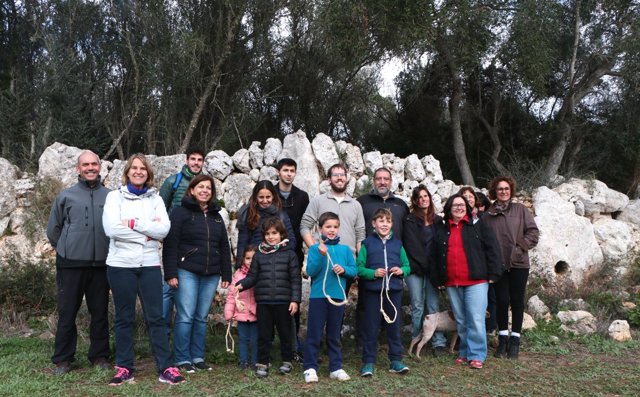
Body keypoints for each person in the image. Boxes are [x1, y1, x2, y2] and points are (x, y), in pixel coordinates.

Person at [102, 154, 185, 386]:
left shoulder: (156, 199)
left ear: (148, 173)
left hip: (149, 265)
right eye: (134, 168)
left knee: (156, 318)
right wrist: (145, 237)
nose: (138, 172)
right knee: (124, 317)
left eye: (143, 169)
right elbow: (111, 229)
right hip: (120, 265)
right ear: (127, 171)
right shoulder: (113, 197)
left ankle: (166, 367)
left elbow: (163, 230)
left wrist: (134, 223)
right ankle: (124, 367)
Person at [46, 150, 111, 375]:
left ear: (100, 167)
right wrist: (65, 248)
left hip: (102, 265)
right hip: (70, 263)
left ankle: (100, 356)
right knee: (67, 312)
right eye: (86, 164)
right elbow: (53, 229)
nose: (90, 167)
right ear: (78, 168)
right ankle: (63, 359)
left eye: (94, 163)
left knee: (100, 312)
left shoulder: (111, 196)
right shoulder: (66, 196)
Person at [162, 174, 232, 373]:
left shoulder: (216, 216)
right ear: (192, 190)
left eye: (208, 188)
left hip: (211, 274)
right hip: (186, 272)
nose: (205, 190)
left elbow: (224, 247)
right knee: (185, 316)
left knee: (201, 317)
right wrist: (170, 273)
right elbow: (170, 244)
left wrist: (226, 274)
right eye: (200, 187)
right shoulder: (180, 212)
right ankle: (182, 359)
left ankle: (198, 356)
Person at [431, 193, 503, 369]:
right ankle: (464, 351)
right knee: (462, 320)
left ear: (468, 208)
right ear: (449, 208)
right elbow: (435, 256)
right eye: (455, 205)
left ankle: (477, 354)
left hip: (476, 280)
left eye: (462, 205)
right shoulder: (442, 228)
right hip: (452, 282)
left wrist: (494, 273)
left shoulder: (478, 226)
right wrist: (438, 278)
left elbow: (492, 248)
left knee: (476, 318)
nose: (459, 208)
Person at [235, 217, 302, 378]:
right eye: (267, 234)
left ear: (281, 234)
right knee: (264, 335)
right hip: (264, 301)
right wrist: (241, 284)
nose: (271, 237)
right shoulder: (259, 255)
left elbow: (295, 279)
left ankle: (287, 360)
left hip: (284, 301)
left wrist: (295, 300)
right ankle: (262, 362)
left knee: (285, 334)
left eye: (274, 233)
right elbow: (252, 277)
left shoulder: (290, 254)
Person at [483, 176, 539, 359]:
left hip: (518, 263)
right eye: (500, 189)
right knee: (501, 301)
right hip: (498, 265)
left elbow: (533, 232)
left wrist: (519, 248)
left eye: (506, 188)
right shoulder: (488, 215)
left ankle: (515, 340)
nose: (503, 192)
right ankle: (503, 339)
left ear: (511, 190)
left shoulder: (521, 210)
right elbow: (484, 241)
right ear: (495, 192)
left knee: (517, 301)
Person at [302, 212, 357, 383]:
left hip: (338, 297)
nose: (332, 230)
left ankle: (336, 367)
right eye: (328, 227)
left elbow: (354, 271)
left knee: (334, 334)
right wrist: (319, 254)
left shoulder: (345, 250)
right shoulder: (314, 249)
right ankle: (310, 367)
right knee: (314, 332)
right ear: (320, 229)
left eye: (335, 226)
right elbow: (311, 271)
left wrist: (345, 270)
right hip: (319, 297)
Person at [357, 208, 411, 377]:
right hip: (373, 293)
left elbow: (408, 266)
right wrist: (373, 273)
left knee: (394, 327)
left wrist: (401, 270)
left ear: (392, 224)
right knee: (371, 327)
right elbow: (359, 268)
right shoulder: (366, 244)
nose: (384, 224)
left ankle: (395, 360)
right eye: (381, 221)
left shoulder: (398, 244)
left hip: (393, 291)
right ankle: (368, 362)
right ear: (374, 224)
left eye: (388, 221)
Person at [158, 147, 206, 336]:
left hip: (195, 246)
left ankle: (186, 334)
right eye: (192, 159)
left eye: (199, 159)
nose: (196, 163)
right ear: (186, 160)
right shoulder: (173, 182)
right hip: (174, 241)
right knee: (169, 287)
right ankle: (162, 333)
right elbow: (160, 209)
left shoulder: (204, 184)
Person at [402, 185, 447, 357]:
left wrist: (438, 270)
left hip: (433, 270)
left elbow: (440, 245)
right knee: (418, 305)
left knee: (433, 305)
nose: (423, 199)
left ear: (430, 198)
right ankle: (416, 340)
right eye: (419, 197)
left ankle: (438, 342)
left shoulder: (437, 220)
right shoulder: (410, 220)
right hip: (415, 269)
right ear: (415, 201)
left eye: (425, 196)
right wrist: (424, 266)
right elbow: (412, 246)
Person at [274, 158, 309, 361]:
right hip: (270, 254)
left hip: (293, 253)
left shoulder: (302, 197)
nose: (289, 174)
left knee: (293, 299)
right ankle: (270, 342)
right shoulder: (271, 194)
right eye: (285, 170)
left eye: (292, 171)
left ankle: (293, 344)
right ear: (278, 172)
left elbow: (305, 225)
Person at [300, 163, 365, 258]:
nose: (339, 178)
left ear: (346, 179)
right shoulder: (318, 201)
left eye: (342, 175)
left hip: (348, 260)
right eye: (335, 175)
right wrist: (315, 249)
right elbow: (304, 226)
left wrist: (360, 260)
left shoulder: (356, 205)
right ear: (329, 180)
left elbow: (360, 234)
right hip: (323, 258)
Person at [236, 180, 296, 265]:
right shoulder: (248, 214)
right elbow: (242, 243)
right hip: (255, 263)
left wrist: (282, 256)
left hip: (277, 263)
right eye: (261, 197)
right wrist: (240, 265)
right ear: (256, 197)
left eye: (268, 197)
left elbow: (291, 240)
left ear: (273, 196)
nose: (264, 201)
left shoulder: (281, 215)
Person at [225, 245, 259, 370]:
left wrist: (258, 310)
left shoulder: (261, 274)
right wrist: (229, 312)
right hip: (241, 314)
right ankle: (243, 361)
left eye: (253, 258)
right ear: (243, 259)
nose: (250, 261)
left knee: (255, 340)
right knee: (243, 339)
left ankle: (255, 361)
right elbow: (231, 296)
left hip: (256, 314)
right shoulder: (238, 275)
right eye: (248, 258)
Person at [358, 167, 409, 239]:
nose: (382, 182)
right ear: (373, 181)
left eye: (386, 179)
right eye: (378, 179)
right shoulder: (362, 202)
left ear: (391, 182)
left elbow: (407, 233)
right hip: (369, 249)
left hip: (396, 249)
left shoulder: (401, 205)